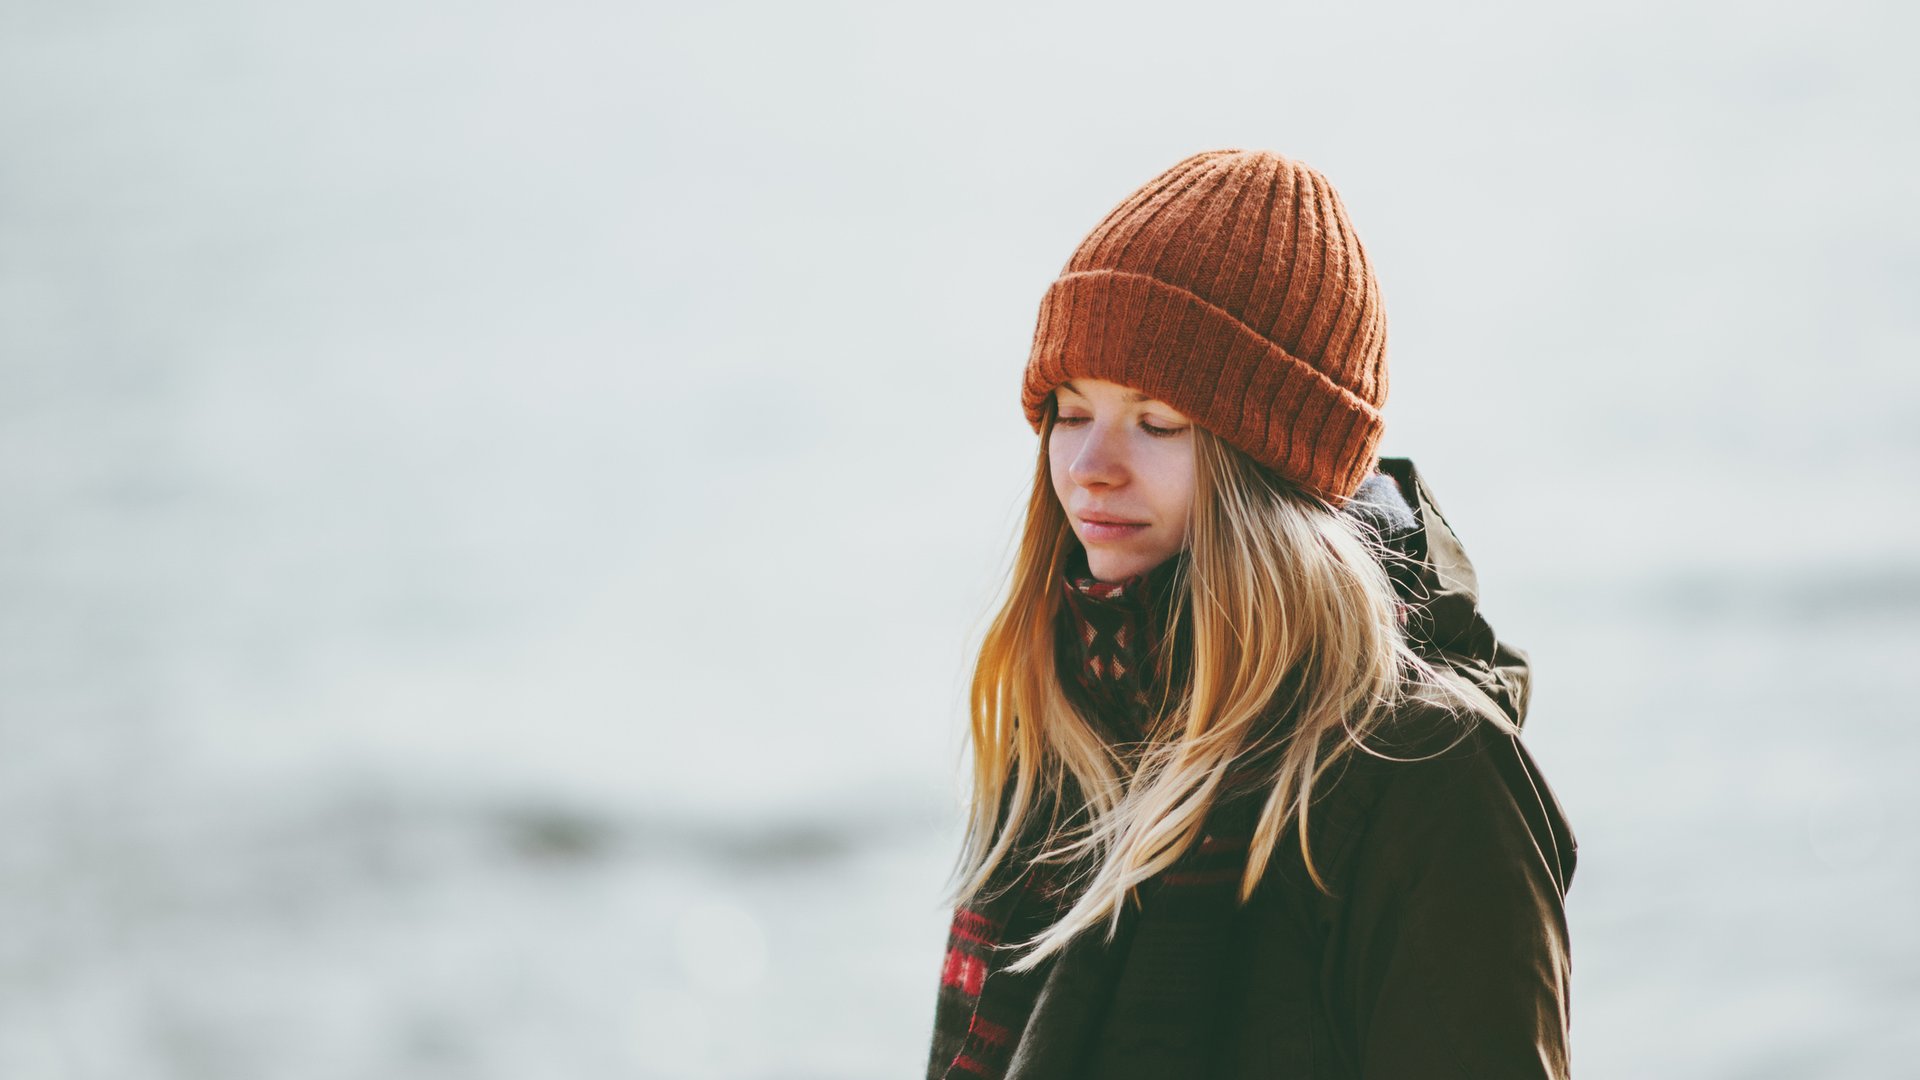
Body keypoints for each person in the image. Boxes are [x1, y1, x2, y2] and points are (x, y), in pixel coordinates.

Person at [923, 148, 1577, 1080]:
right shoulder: (1070, 728)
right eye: (1070, 413)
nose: (1090, 468)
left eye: (1158, 422)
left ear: (1272, 472)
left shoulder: (1429, 773)